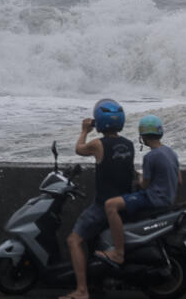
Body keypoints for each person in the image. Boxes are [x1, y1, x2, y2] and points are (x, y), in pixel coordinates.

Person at [59, 99, 135, 299]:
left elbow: (79, 149)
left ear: (100, 121)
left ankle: (82, 290)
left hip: (103, 206)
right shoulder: (129, 145)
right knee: (93, 242)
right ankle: (97, 283)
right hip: (125, 202)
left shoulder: (97, 144)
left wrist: (84, 130)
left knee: (74, 240)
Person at [95, 114, 181, 266]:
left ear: (142, 137)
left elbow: (145, 186)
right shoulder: (171, 152)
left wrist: (140, 177)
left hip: (154, 198)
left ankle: (118, 253)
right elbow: (179, 180)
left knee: (110, 205)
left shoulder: (150, 157)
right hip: (168, 198)